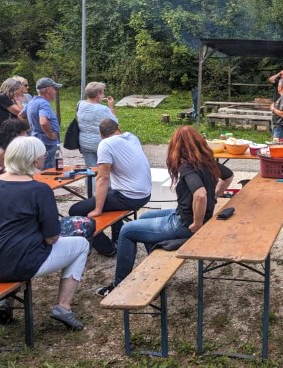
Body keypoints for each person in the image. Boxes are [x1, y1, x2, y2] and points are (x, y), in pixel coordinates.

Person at [95, 126, 226, 297]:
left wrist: (198, 222)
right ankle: (155, 273)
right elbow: (228, 176)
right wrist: (213, 197)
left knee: (126, 231)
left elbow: (200, 195)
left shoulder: (186, 165)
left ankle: (118, 285)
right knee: (145, 216)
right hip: (184, 215)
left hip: (184, 224)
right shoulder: (207, 160)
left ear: (177, 146)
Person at [0, 137, 89, 330]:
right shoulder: (39, 189)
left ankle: (7, 300)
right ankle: (63, 307)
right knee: (81, 245)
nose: (44, 158)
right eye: (42, 155)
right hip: (18, 264)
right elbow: (51, 237)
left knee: (16, 244)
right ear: (34, 159)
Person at [69, 118, 151, 257]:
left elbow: (103, 178)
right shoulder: (131, 137)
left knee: (76, 210)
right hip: (145, 193)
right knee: (109, 194)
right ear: (118, 129)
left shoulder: (105, 144)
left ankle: (107, 248)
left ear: (101, 135)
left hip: (130, 196)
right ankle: (119, 239)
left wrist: (97, 209)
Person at [19, 77, 62, 169]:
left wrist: (31, 128)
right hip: (47, 144)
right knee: (48, 171)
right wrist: (51, 135)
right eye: (55, 88)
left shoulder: (32, 102)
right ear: (48, 89)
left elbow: (21, 115)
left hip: (37, 140)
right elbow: (43, 122)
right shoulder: (44, 104)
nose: (56, 91)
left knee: (38, 169)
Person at [78, 82, 117, 167]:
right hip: (100, 144)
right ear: (98, 94)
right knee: (103, 171)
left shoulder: (80, 104)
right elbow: (114, 123)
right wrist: (111, 107)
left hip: (84, 143)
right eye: (102, 93)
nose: (103, 95)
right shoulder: (103, 109)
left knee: (92, 170)